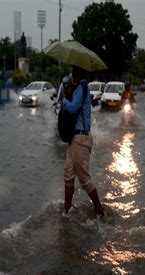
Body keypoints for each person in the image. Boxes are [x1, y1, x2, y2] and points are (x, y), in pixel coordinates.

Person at [61, 67, 104, 217]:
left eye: (73, 75)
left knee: (84, 179)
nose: (72, 78)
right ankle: (67, 210)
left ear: (77, 76)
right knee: (68, 174)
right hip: (75, 138)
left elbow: (72, 108)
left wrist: (64, 100)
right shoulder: (78, 88)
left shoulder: (81, 88)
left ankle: (100, 211)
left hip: (80, 139)